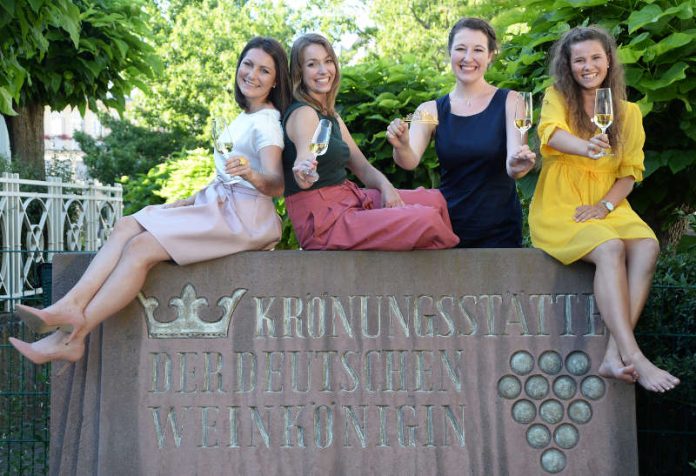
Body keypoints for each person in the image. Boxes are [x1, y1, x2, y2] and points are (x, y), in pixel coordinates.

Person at [10, 37, 292, 365]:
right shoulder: (245, 116)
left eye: (264, 70)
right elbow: (225, 180)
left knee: (140, 248)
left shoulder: (268, 124)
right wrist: (186, 202)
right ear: (238, 66)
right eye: (248, 64)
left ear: (275, 81)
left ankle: (73, 336)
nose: (252, 74)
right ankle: (71, 305)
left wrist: (250, 174)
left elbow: (275, 185)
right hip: (220, 205)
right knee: (128, 224)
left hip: (245, 219)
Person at [529, 26, 679, 392]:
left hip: (608, 202)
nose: (587, 65)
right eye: (578, 59)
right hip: (562, 202)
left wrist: (605, 205)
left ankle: (614, 355)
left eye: (595, 57)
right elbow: (550, 133)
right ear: (568, 65)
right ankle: (636, 356)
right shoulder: (557, 97)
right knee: (610, 247)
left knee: (646, 245)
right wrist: (585, 147)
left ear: (609, 60)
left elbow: (629, 174)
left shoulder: (627, 113)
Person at [282, 33, 460, 251]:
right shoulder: (304, 114)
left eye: (328, 61)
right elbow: (304, 157)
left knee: (434, 200)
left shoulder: (331, 115)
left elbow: (363, 168)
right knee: (426, 218)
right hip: (325, 223)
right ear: (300, 73)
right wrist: (304, 171)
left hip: (348, 199)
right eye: (312, 64)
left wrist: (387, 188)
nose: (323, 71)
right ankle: (453, 281)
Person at [387, 17, 536, 248]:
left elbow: (514, 163)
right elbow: (408, 160)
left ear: (490, 56)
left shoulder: (512, 101)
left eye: (478, 49)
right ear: (450, 53)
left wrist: (518, 165)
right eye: (460, 49)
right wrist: (401, 145)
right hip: (447, 226)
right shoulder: (428, 110)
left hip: (500, 228)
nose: (468, 58)